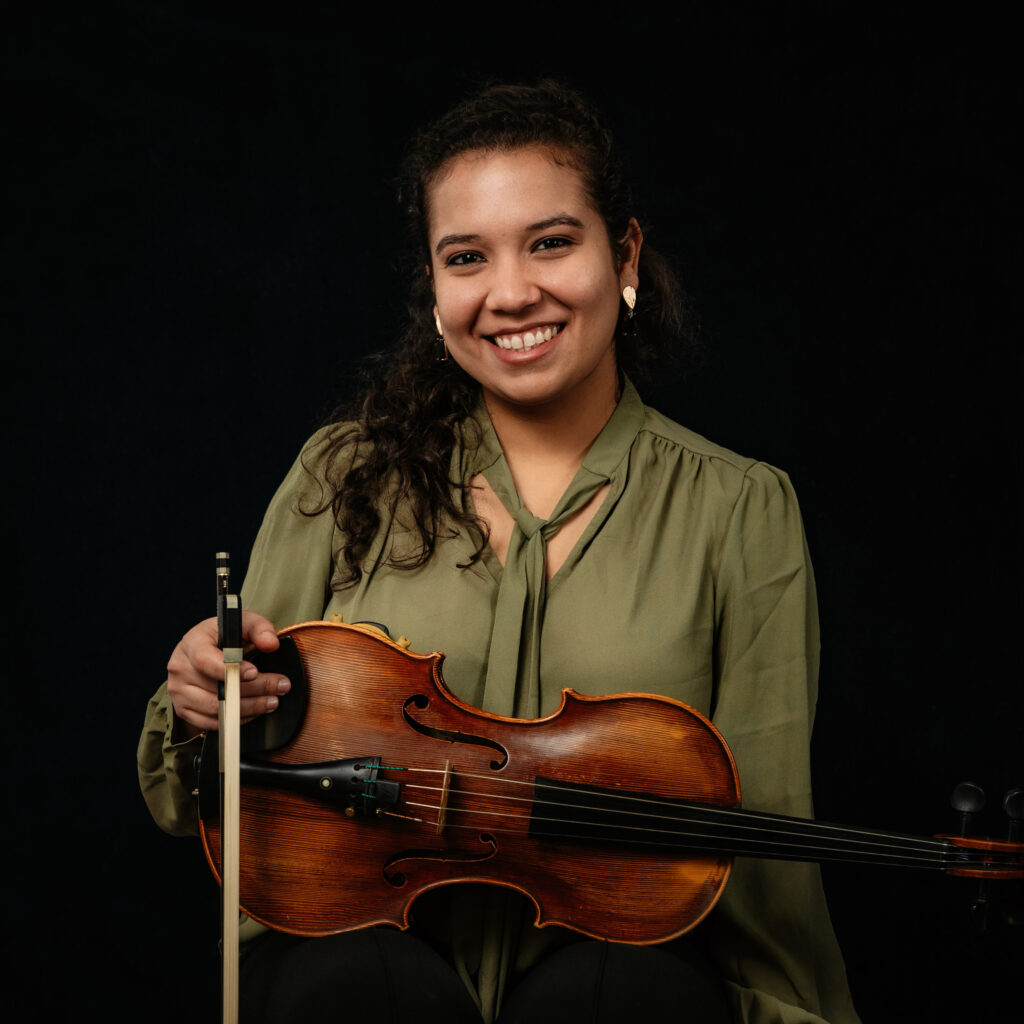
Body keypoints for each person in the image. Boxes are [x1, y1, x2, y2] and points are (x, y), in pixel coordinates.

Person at [138, 81, 860, 1024]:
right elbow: (204, 789)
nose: (511, 292)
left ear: (625, 252)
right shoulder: (342, 475)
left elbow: (764, 846)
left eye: (552, 242)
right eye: (467, 257)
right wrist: (199, 711)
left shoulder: (739, 510)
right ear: (435, 290)